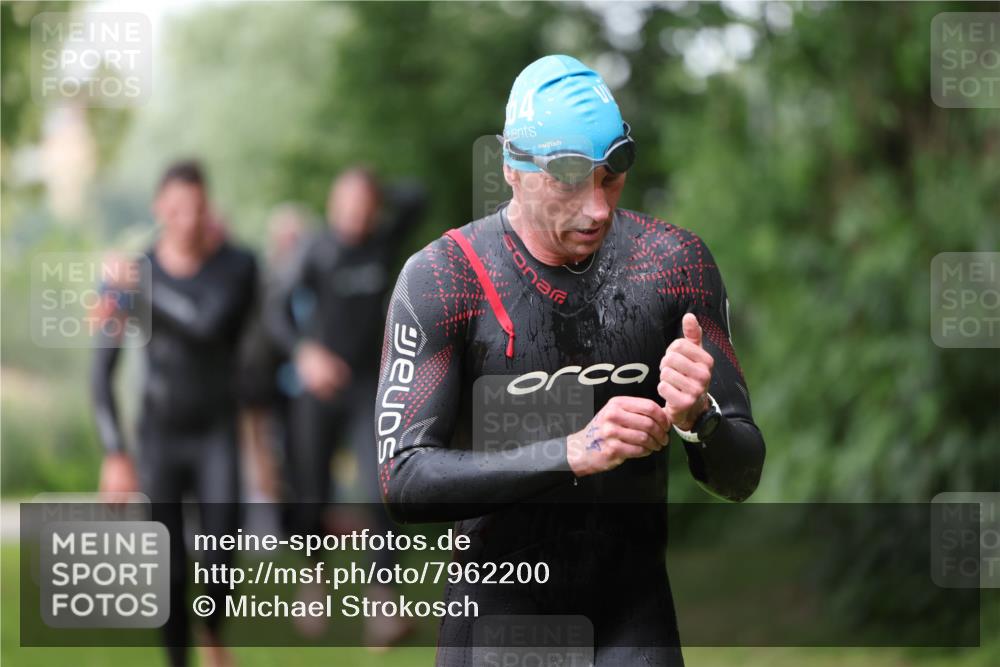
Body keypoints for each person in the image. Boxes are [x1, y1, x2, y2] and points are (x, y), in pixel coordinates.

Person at [375, 55, 766, 666]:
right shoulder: (446, 278)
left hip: (634, 618)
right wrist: (571, 452)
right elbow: (403, 480)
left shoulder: (673, 264)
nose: (597, 208)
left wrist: (699, 421)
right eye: (570, 182)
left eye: (611, 178)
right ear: (512, 169)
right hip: (501, 618)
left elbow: (741, 476)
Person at [91, 160, 257, 667]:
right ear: (158, 209)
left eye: (197, 208)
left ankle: (212, 631)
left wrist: (135, 287)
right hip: (159, 436)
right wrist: (115, 452)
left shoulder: (237, 266)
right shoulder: (131, 275)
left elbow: (205, 326)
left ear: (209, 209)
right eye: (177, 209)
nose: (188, 220)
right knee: (168, 569)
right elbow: (101, 371)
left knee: (221, 553)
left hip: (215, 431)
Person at [265, 167, 425, 644]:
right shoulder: (314, 249)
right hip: (319, 389)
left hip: (369, 388)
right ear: (332, 206)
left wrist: (375, 187)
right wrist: (304, 353)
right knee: (311, 492)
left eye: (362, 205)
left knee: (383, 489)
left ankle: (383, 601)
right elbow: (275, 311)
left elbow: (417, 196)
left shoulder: (383, 242)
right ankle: (313, 578)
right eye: (346, 204)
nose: (354, 214)